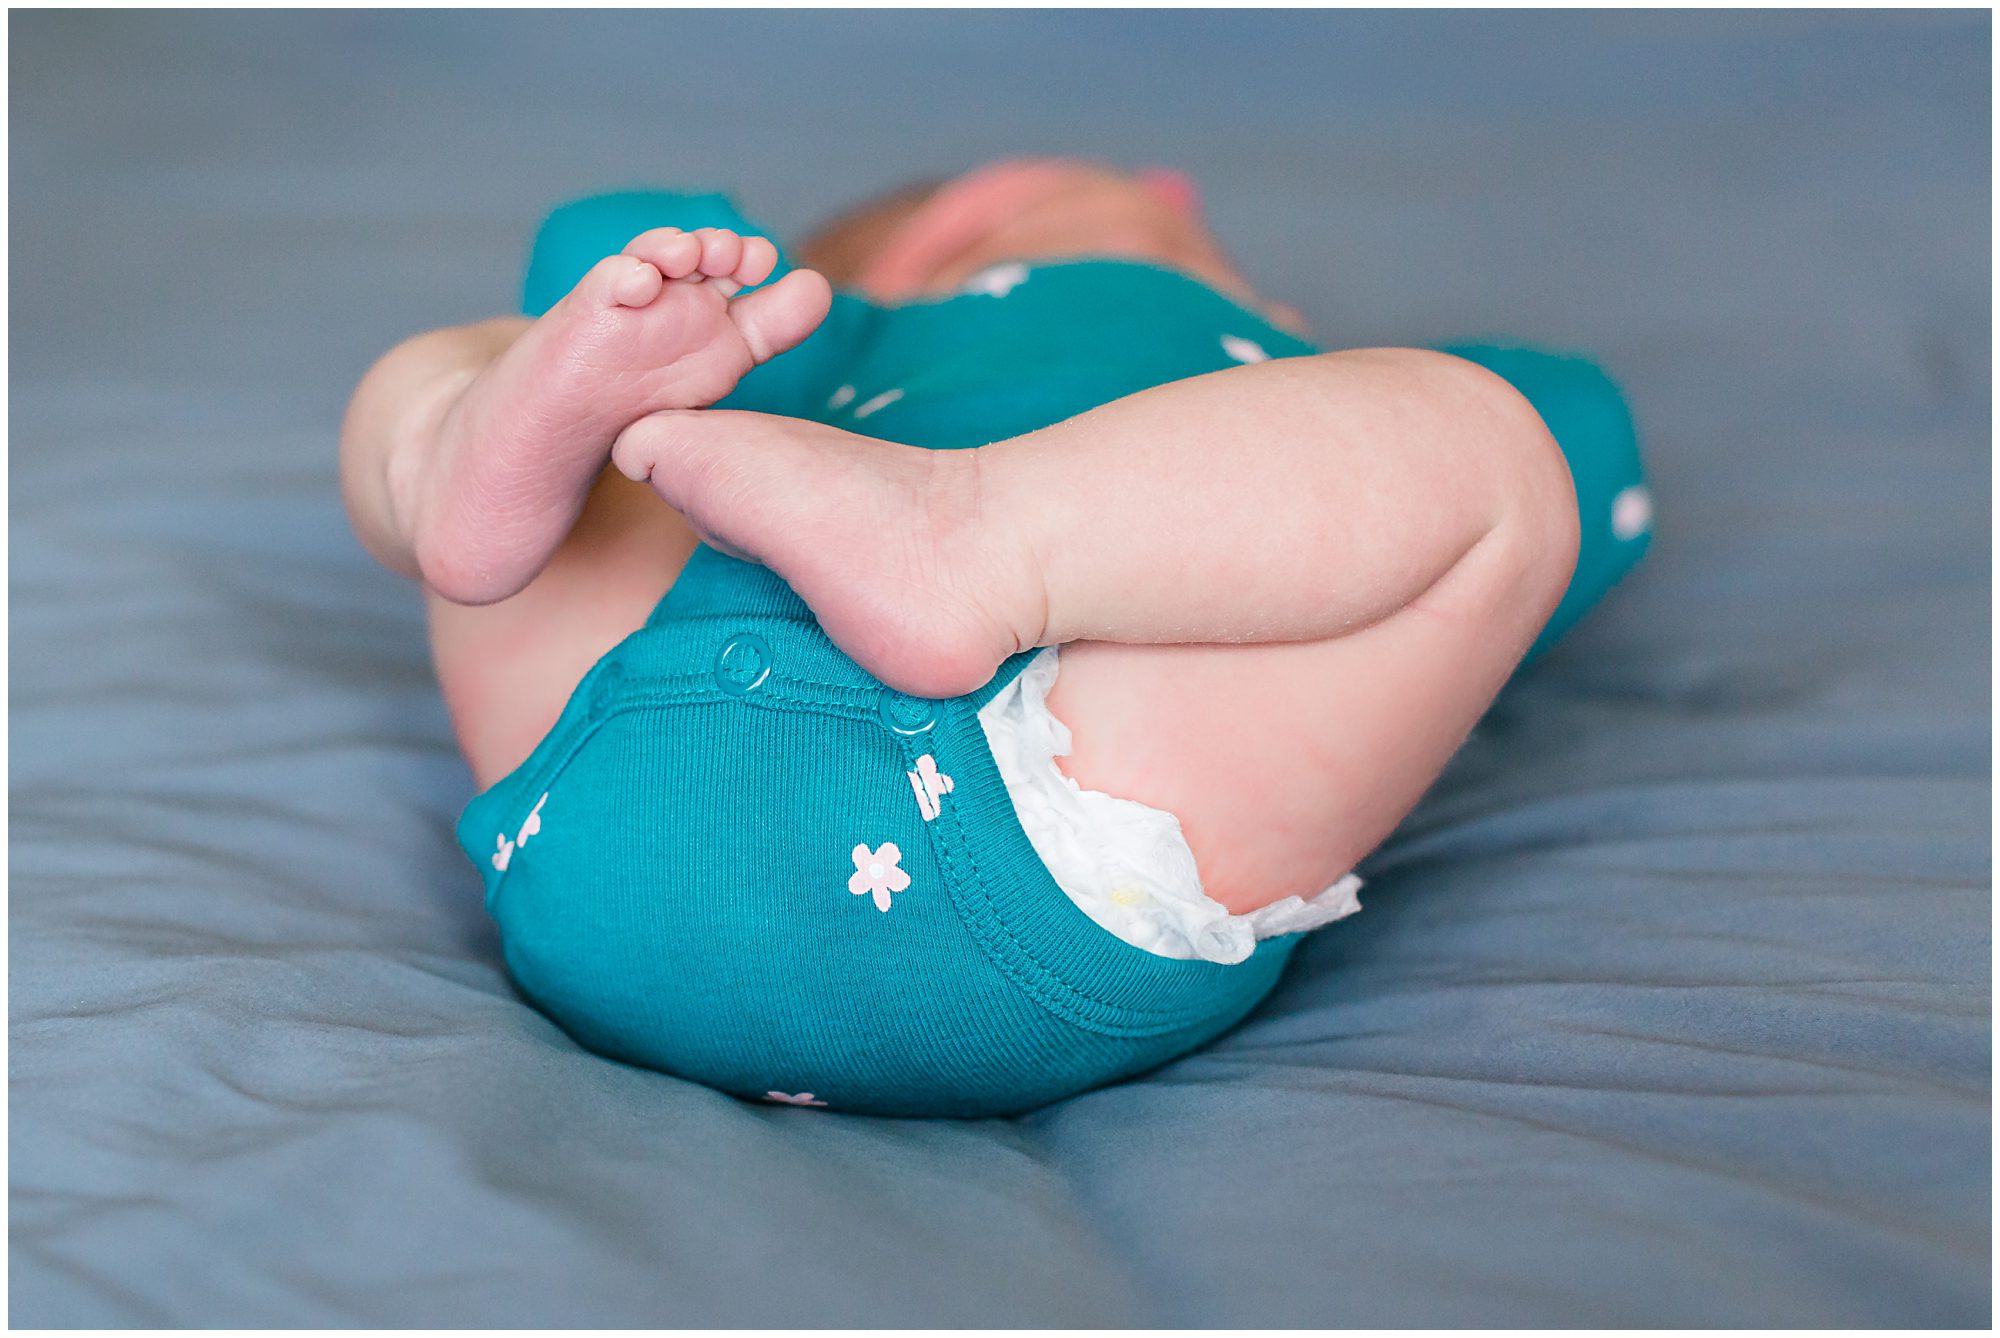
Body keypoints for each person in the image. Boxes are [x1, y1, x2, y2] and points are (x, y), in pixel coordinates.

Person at [339, 157, 1650, 1115]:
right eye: (1147, 206)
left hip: (590, 830)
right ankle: (966, 536)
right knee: (1496, 461)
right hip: (1035, 842)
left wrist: (617, 268)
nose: (1189, 210)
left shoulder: (805, 358)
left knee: (525, 366)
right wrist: (644, 299)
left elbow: (598, 231)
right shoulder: (806, 330)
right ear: (963, 224)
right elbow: (1588, 452)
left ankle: (456, 456)